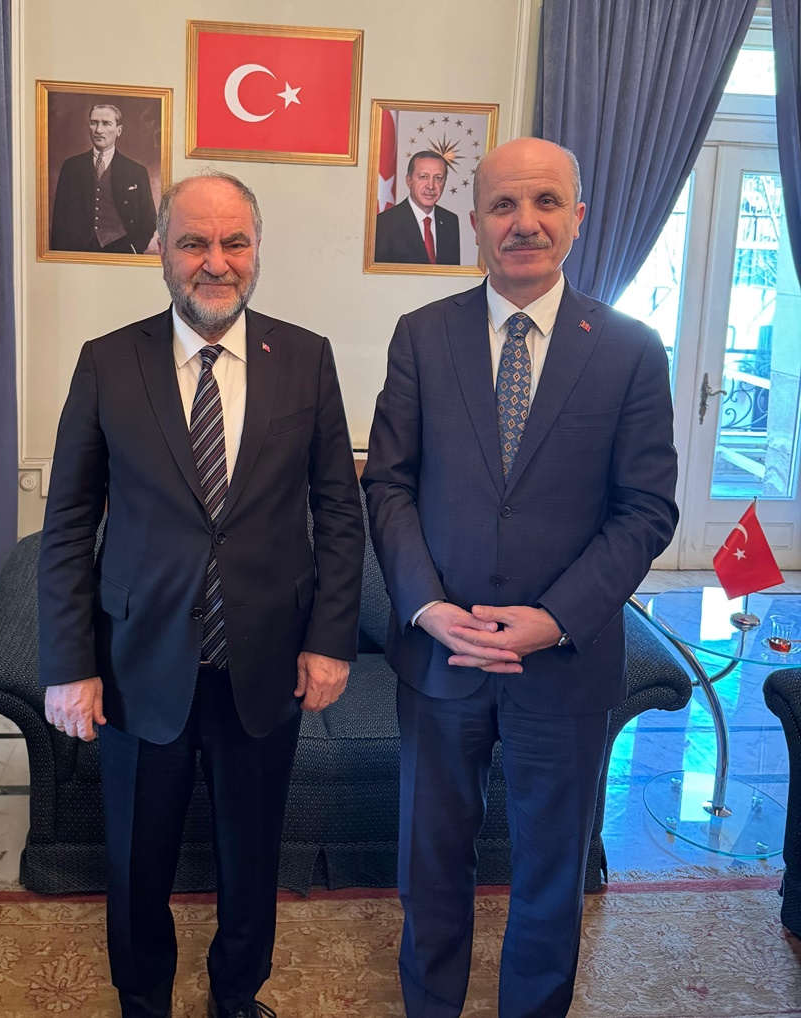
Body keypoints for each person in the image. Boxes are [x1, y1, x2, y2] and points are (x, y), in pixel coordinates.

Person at [361, 136, 679, 1018]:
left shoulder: (630, 349)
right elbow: (387, 484)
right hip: (442, 657)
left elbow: (646, 510)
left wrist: (557, 617)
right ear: (475, 222)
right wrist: (426, 606)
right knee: (430, 863)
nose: (524, 222)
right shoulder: (422, 336)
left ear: (579, 218)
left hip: (565, 663)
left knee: (550, 873)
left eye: (545, 202)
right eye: (503, 204)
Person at [37, 170, 364, 1018]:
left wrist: (331, 639)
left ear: (256, 250)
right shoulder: (108, 362)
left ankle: (236, 996)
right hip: (140, 661)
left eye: (234, 242)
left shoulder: (306, 358)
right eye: (193, 242)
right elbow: (68, 522)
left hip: (267, 663)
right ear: (160, 249)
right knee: (136, 861)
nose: (215, 262)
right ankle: (143, 999)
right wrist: (69, 664)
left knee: (252, 857)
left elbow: (339, 510)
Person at [50, 103, 157, 254]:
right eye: (94, 123)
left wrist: (134, 248)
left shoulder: (136, 172)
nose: (99, 130)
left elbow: (149, 219)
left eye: (106, 124)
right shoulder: (71, 167)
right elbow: (59, 218)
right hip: (76, 251)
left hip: (120, 250)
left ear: (119, 130)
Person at [374, 152, 460, 265]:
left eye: (438, 178)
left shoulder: (450, 221)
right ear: (409, 181)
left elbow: (452, 272)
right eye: (424, 177)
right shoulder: (384, 223)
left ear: (444, 182)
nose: (431, 186)